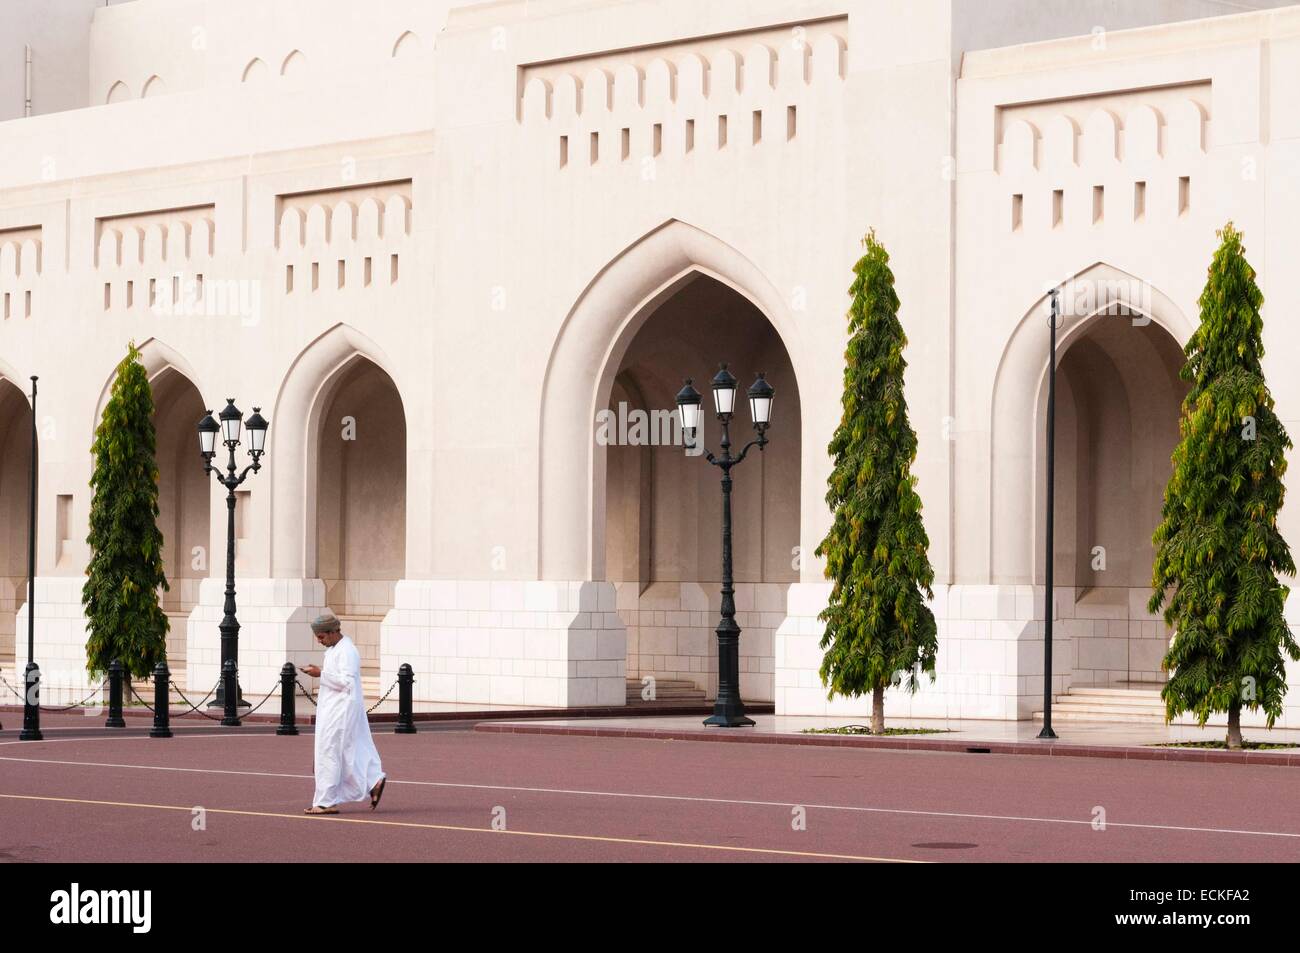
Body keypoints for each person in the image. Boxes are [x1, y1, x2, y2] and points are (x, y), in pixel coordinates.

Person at [298, 613, 387, 815]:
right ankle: (374, 780)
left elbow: (347, 682)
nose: (319, 641)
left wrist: (320, 674)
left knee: (330, 752)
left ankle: (326, 801)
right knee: (346, 751)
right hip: (333, 708)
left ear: (333, 632)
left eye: (321, 637)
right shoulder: (334, 650)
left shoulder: (347, 650)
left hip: (341, 710)